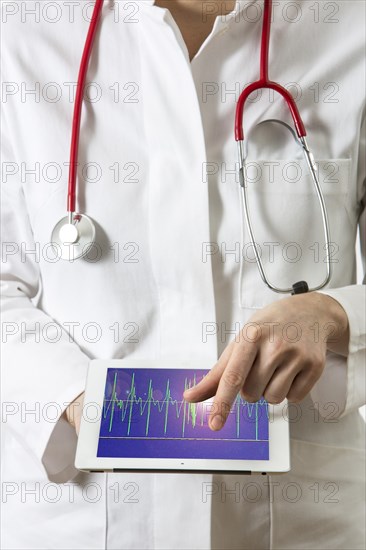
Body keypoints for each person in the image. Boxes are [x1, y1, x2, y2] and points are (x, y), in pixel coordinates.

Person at [1, 0, 365, 548]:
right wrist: (80, 400)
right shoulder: (20, 31)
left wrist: (335, 314)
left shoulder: (351, 27)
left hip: (302, 522)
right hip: (77, 522)